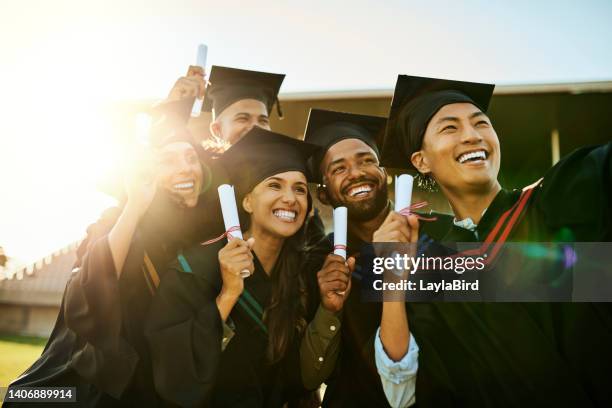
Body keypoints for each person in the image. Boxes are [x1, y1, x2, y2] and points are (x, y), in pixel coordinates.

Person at [379, 74, 612, 406]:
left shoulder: (562, 195)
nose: (472, 136)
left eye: (481, 124)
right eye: (450, 128)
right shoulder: (433, 269)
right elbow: (401, 394)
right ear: (421, 161)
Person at [4, 107, 210, 407]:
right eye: (168, 160)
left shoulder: (194, 237)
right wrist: (136, 207)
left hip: (153, 387)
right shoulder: (116, 222)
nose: (186, 168)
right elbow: (90, 291)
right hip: (91, 387)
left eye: (192, 157)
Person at [145, 127, 329, 406]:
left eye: (300, 189)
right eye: (275, 185)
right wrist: (228, 295)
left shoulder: (300, 276)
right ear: (247, 201)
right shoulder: (193, 268)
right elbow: (173, 372)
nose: (290, 198)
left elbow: (296, 378)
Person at [300, 108, 452, 408]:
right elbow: (310, 376)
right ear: (324, 195)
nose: (357, 173)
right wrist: (329, 309)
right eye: (339, 168)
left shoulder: (445, 232)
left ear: (384, 174)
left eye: (367, 160)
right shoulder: (321, 262)